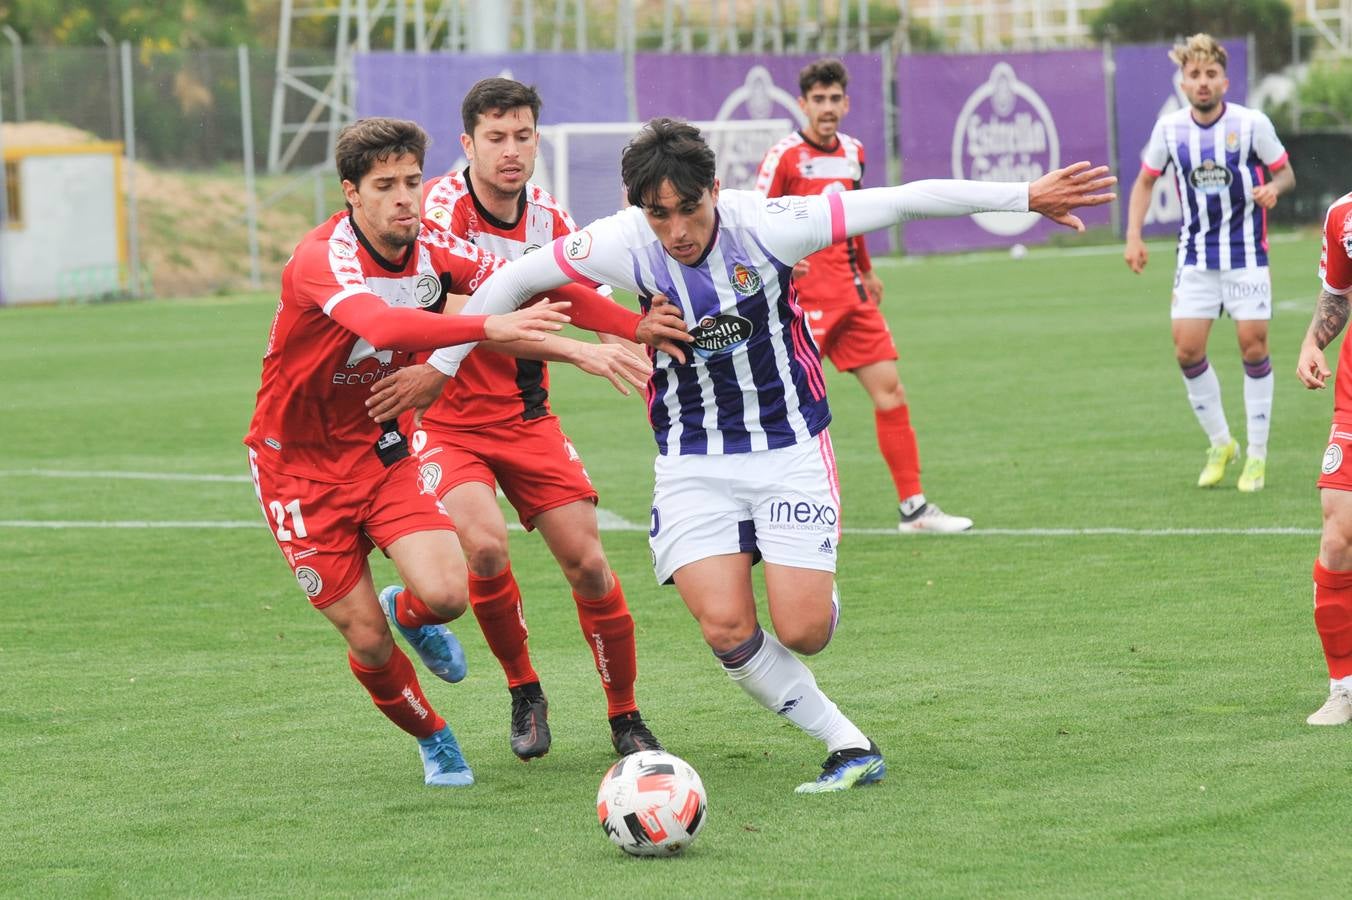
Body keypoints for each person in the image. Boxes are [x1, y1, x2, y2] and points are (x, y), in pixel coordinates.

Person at [414, 118, 1114, 792]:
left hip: (787, 447)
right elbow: (507, 285)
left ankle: (803, 573)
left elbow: (903, 200)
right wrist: (441, 369)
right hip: (691, 459)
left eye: (688, 210)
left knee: (802, 630)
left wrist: (1024, 197)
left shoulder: (771, 223)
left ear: (714, 192)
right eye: (659, 216)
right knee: (723, 624)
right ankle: (850, 745)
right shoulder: (620, 241)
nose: (677, 231)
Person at [243, 116, 678, 786]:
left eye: (411, 181)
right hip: (294, 468)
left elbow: (535, 285)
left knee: (447, 595)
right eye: (384, 185)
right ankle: (436, 738)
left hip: (379, 448)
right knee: (363, 638)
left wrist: (633, 326)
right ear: (350, 194)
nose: (403, 198)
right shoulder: (322, 258)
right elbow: (380, 322)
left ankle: (411, 611)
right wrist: (485, 321)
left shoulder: (432, 247)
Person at [364, 78, 670, 761]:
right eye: (495, 138)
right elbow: (459, 320)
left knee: (588, 563)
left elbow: (576, 298)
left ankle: (625, 715)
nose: (510, 151)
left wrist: (635, 331)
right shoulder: (436, 209)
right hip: (443, 416)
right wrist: (577, 351)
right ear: (468, 144)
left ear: (537, 140)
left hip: (527, 418)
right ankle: (524, 689)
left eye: (522, 136)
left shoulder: (551, 223)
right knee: (486, 547)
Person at [756, 58, 971, 534]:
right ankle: (778, 512)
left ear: (847, 103)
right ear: (803, 104)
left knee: (891, 391)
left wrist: (868, 271)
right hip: (802, 300)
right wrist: (784, 262)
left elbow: (857, 217)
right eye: (819, 100)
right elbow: (758, 219)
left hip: (851, 295)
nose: (828, 108)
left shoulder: (854, 151)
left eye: (835, 99)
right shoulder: (784, 157)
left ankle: (913, 508)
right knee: (790, 406)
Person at [1124, 33, 1295, 492]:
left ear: (1225, 79)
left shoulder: (1251, 123)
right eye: (1194, 75)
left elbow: (1285, 171)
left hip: (1245, 255)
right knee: (1186, 350)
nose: (1202, 83)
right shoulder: (1169, 130)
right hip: (1196, 256)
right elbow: (1144, 182)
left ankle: (1256, 456)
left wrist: (1273, 189)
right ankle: (1222, 443)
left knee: (1252, 346)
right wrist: (1134, 236)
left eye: (1210, 74)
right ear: (1183, 81)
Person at [1296, 189, 1352, 725]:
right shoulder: (1343, 213)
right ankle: (1344, 687)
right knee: (1337, 533)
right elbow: (1338, 293)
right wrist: (1314, 341)